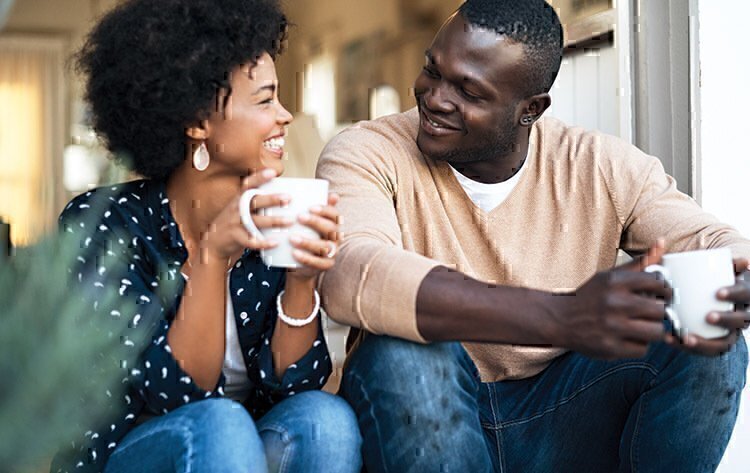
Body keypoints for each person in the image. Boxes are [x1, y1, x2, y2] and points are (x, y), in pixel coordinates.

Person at [316, 0, 750, 472]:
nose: (436, 97)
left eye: (470, 92)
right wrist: (563, 316)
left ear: (530, 110)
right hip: (425, 415)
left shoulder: (598, 164)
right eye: (432, 70)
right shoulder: (366, 151)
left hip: (562, 418)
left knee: (709, 334)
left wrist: (736, 279)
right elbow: (351, 273)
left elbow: (710, 240)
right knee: (400, 350)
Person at [53, 0, 361, 472]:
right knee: (220, 423)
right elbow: (176, 394)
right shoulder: (105, 225)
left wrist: (301, 279)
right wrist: (213, 256)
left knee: (326, 419)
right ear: (197, 122)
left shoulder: (268, 217)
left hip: (237, 452)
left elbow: (293, 388)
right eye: (265, 99)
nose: (285, 116)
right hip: (132, 453)